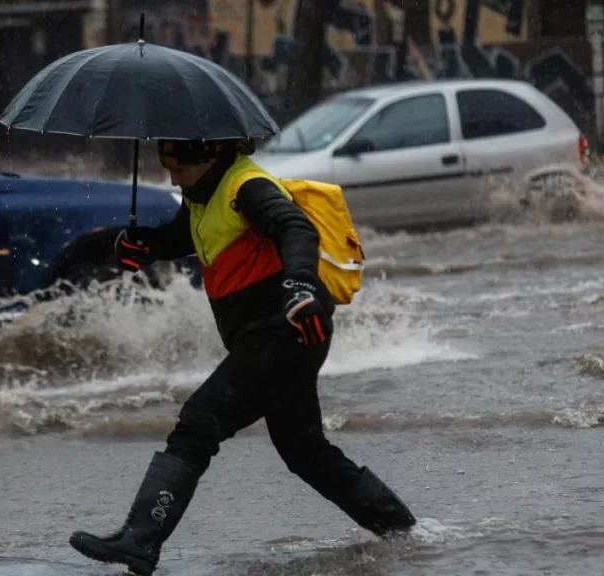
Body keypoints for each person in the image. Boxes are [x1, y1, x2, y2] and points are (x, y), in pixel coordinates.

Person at [68, 138, 416, 575]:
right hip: (272, 338)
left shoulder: (246, 186)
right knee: (305, 452)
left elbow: (296, 228)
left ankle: (140, 539)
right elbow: (181, 237)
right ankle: (403, 531)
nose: (172, 177)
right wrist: (142, 244)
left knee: (198, 424)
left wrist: (300, 286)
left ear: (209, 154)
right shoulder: (201, 194)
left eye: (178, 167)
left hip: (284, 330)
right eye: (165, 165)